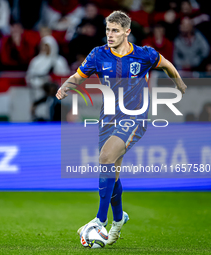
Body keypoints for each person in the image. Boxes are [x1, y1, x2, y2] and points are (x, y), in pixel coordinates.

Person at [56, 11, 187, 245]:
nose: (110, 34)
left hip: (135, 117)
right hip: (107, 119)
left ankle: (99, 220)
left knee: (105, 157)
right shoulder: (98, 55)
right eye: (108, 30)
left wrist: (179, 83)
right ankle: (118, 220)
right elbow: (78, 76)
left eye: (115, 30)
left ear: (127, 32)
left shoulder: (143, 54)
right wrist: (66, 86)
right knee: (111, 173)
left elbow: (167, 65)